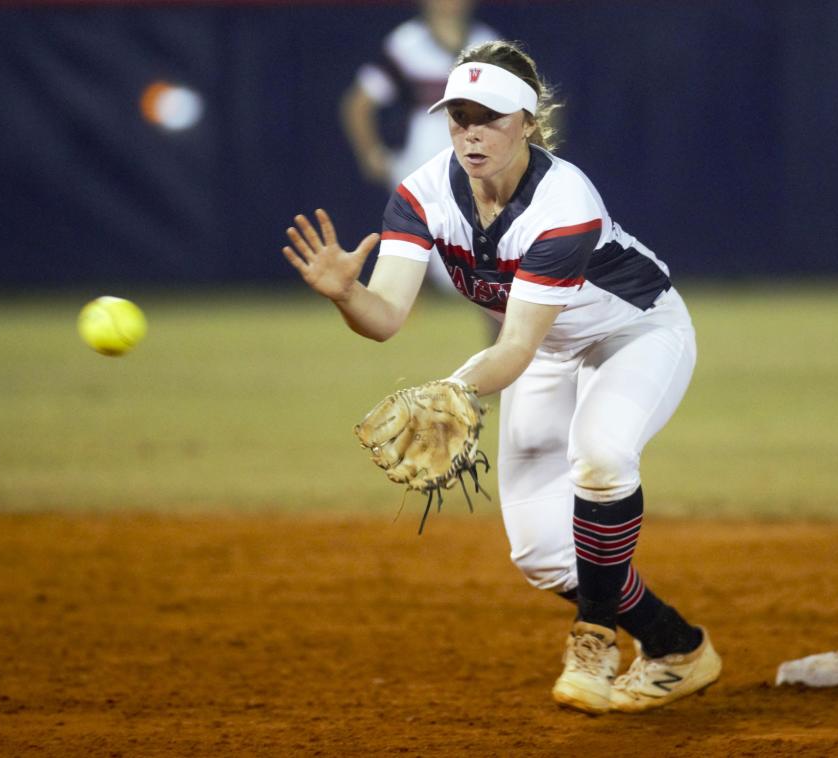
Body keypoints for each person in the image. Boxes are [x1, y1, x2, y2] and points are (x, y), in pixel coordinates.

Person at [284, 40, 722, 714]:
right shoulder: (424, 192)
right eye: (459, 117)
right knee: (543, 553)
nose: (471, 133)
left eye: (489, 117)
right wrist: (347, 294)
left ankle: (596, 641)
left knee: (601, 458)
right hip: (549, 351)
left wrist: (456, 387)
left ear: (528, 121)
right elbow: (386, 317)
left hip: (634, 334)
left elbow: (513, 345)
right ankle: (676, 646)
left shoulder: (563, 202)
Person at [339, 0, 499, 297]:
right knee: (433, 263)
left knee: (484, 266)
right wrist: (371, 154)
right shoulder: (407, 44)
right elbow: (358, 104)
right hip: (421, 165)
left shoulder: (487, 44)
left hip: (476, 165)